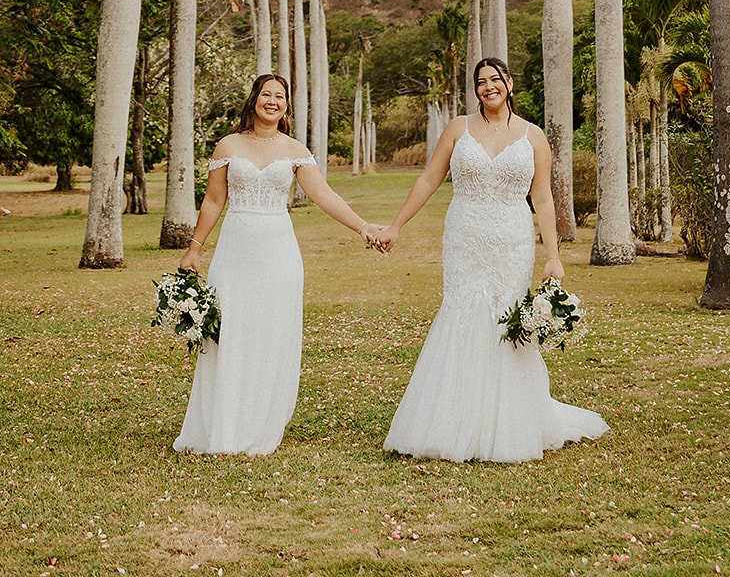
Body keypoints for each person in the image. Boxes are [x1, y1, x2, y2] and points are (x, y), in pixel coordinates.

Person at [374, 57, 608, 462]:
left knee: (505, 317)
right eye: (481, 82)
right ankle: (452, 419)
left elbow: (543, 197)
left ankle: (508, 421)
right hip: (464, 236)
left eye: (495, 80)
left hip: (512, 240)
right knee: (462, 314)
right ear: (475, 89)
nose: (488, 88)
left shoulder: (533, 136)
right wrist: (396, 225)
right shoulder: (457, 129)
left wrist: (553, 256)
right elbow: (430, 178)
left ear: (510, 84)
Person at [173, 72, 379, 455]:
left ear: (286, 105)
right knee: (230, 335)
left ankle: (260, 422)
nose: (272, 101)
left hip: (278, 253)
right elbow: (214, 201)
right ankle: (223, 424)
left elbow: (323, 195)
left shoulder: (293, 150)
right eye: (266, 94)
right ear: (253, 100)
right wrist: (195, 248)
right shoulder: (228, 146)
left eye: (280, 96)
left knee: (271, 335)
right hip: (235, 252)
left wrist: (363, 226)